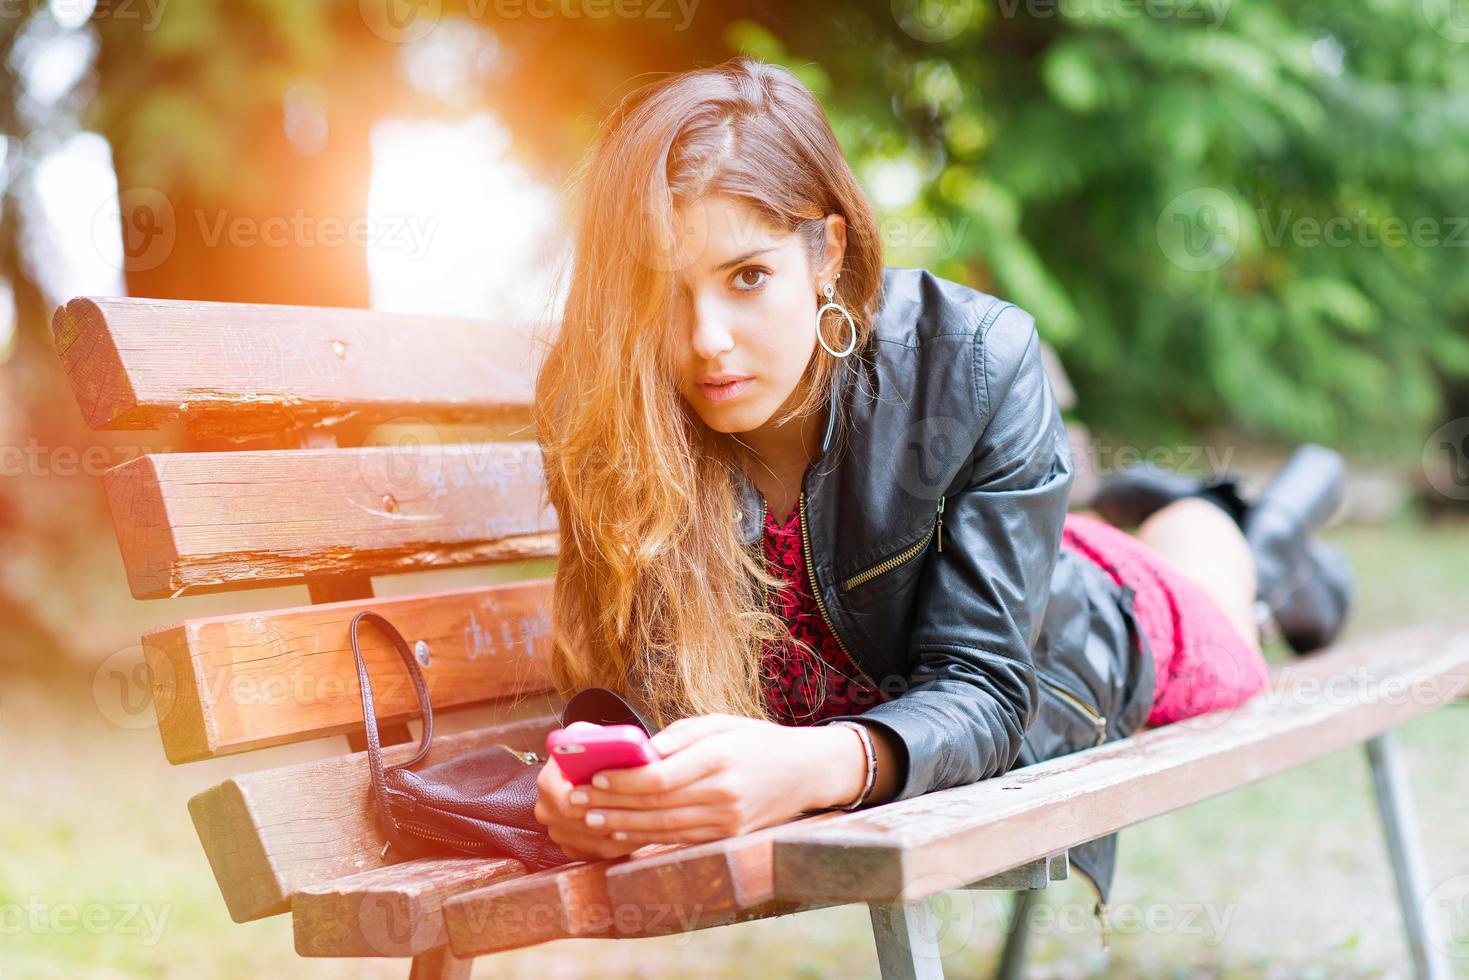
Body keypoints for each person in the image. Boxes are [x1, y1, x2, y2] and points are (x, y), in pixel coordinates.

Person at [529, 57, 1353, 914]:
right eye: (662, 291)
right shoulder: (605, 408)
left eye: (747, 276)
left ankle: (1252, 531)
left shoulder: (974, 356)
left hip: (1082, 633)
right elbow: (630, 680)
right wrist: (599, 786)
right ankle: (1158, 508)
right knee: (1123, 528)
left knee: (1226, 597)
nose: (706, 341)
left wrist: (818, 765)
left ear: (826, 252)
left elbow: (989, 690)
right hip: (996, 574)